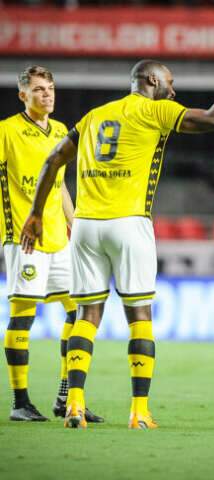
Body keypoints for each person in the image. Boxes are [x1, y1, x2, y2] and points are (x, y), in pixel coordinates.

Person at [20, 31, 214, 429]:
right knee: (139, 316)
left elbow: (51, 162)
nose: (174, 91)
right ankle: (139, 411)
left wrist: (37, 214)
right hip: (129, 225)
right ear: (150, 83)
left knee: (86, 316)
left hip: (87, 228)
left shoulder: (93, 117)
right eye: (170, 83)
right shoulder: (154, 112)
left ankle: (74, 404)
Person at [0, 66, 102, 423]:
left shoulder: (60, 131)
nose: (48, 95)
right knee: (23, 317)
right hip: (24, 241)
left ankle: (65, 395)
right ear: (22, 95)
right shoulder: (5, 132)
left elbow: (58, 187)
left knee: (78, 312)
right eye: (40, 90)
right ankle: (20, 402)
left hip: (60, 241)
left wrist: (77, 228)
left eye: (51, 89)